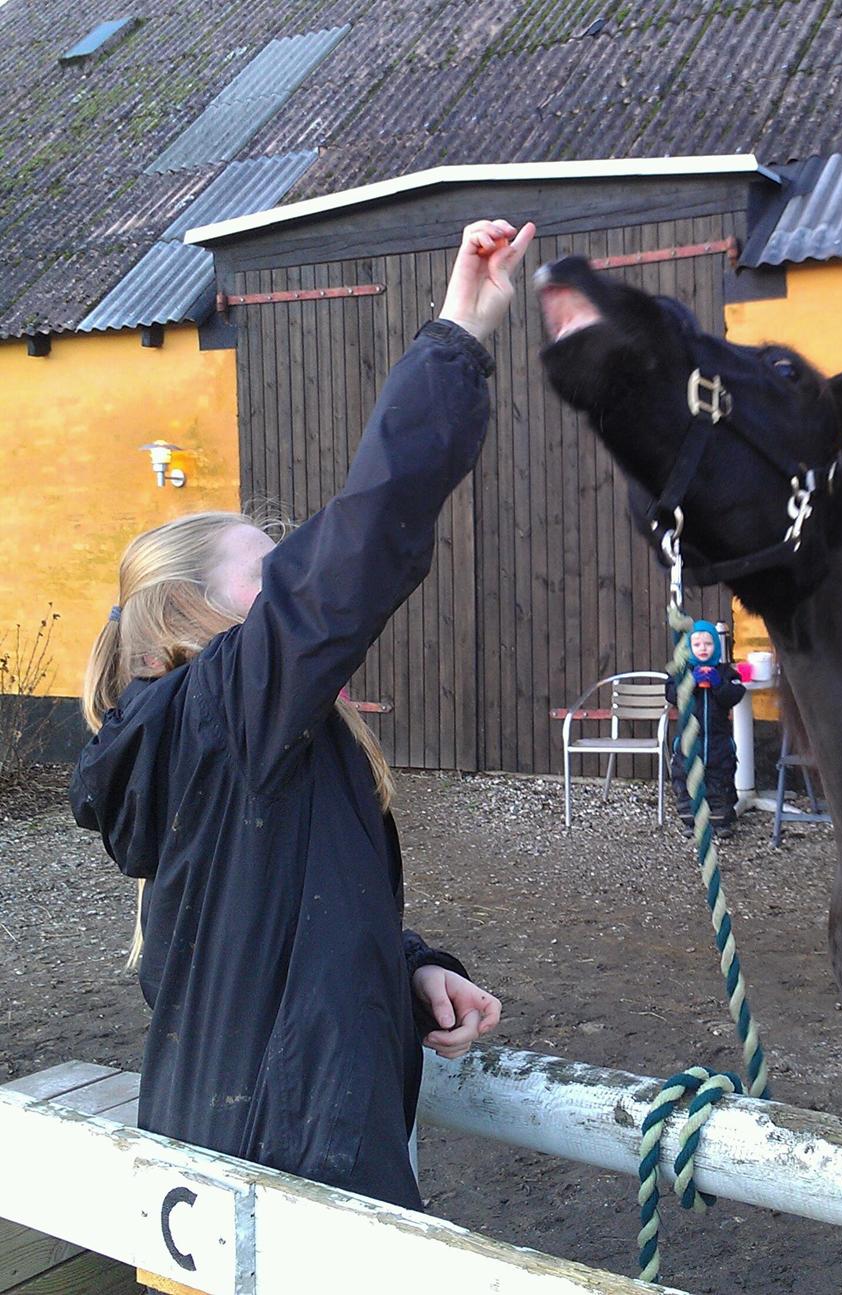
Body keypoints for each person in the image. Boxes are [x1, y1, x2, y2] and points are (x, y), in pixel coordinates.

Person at [70, 217, 535, 1210]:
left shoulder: (236, 745)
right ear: (196, 610)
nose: (297, 583)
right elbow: (373, 522)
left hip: (239, 1158)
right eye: (271, 576)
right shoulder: (222, 711)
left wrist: (411, 969)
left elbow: (279, 927)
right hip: (286, 1183)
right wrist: (458, 332)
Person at [665, 620, 746, 838]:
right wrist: (691, 683)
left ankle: (721, 822)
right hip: (689, 742)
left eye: (708, 644)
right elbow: (672, 693)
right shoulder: (683, 671)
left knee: (720, 781)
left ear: (716, 647)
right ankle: (691, 822)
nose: (703, 648)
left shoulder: (725, 672)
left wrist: (718, 683)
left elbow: (735, 695)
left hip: (718, 742)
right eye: (698, 644)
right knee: (686, 780)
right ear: (690, 648)